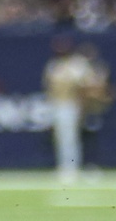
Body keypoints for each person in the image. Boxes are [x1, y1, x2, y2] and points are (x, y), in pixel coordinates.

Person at [42, 34, 99, 182]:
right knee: (61, 138)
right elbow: (49, 87)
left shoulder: (77, 65)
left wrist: (83, 105)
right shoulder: (53, 65)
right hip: (57, 104)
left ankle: (72, 168)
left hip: (72, 104)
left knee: (71, 138)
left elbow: (86, 86)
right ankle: (65, 167)